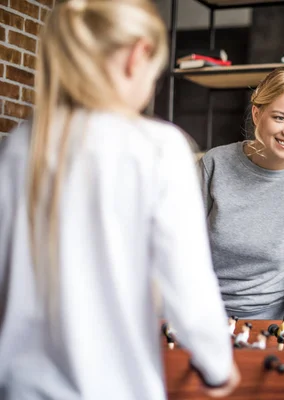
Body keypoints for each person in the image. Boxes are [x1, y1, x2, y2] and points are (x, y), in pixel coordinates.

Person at [0, 0, 239, 398]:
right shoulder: (159, 148)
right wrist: (217, 367)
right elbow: (190, 286)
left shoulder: (17, 149)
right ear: (137, 55)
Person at [200, 68, 284, 321]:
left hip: (270, 320)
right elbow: (182, 242)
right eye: (280, 118)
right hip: (201, 311)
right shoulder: (214, 164)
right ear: (257, 113)